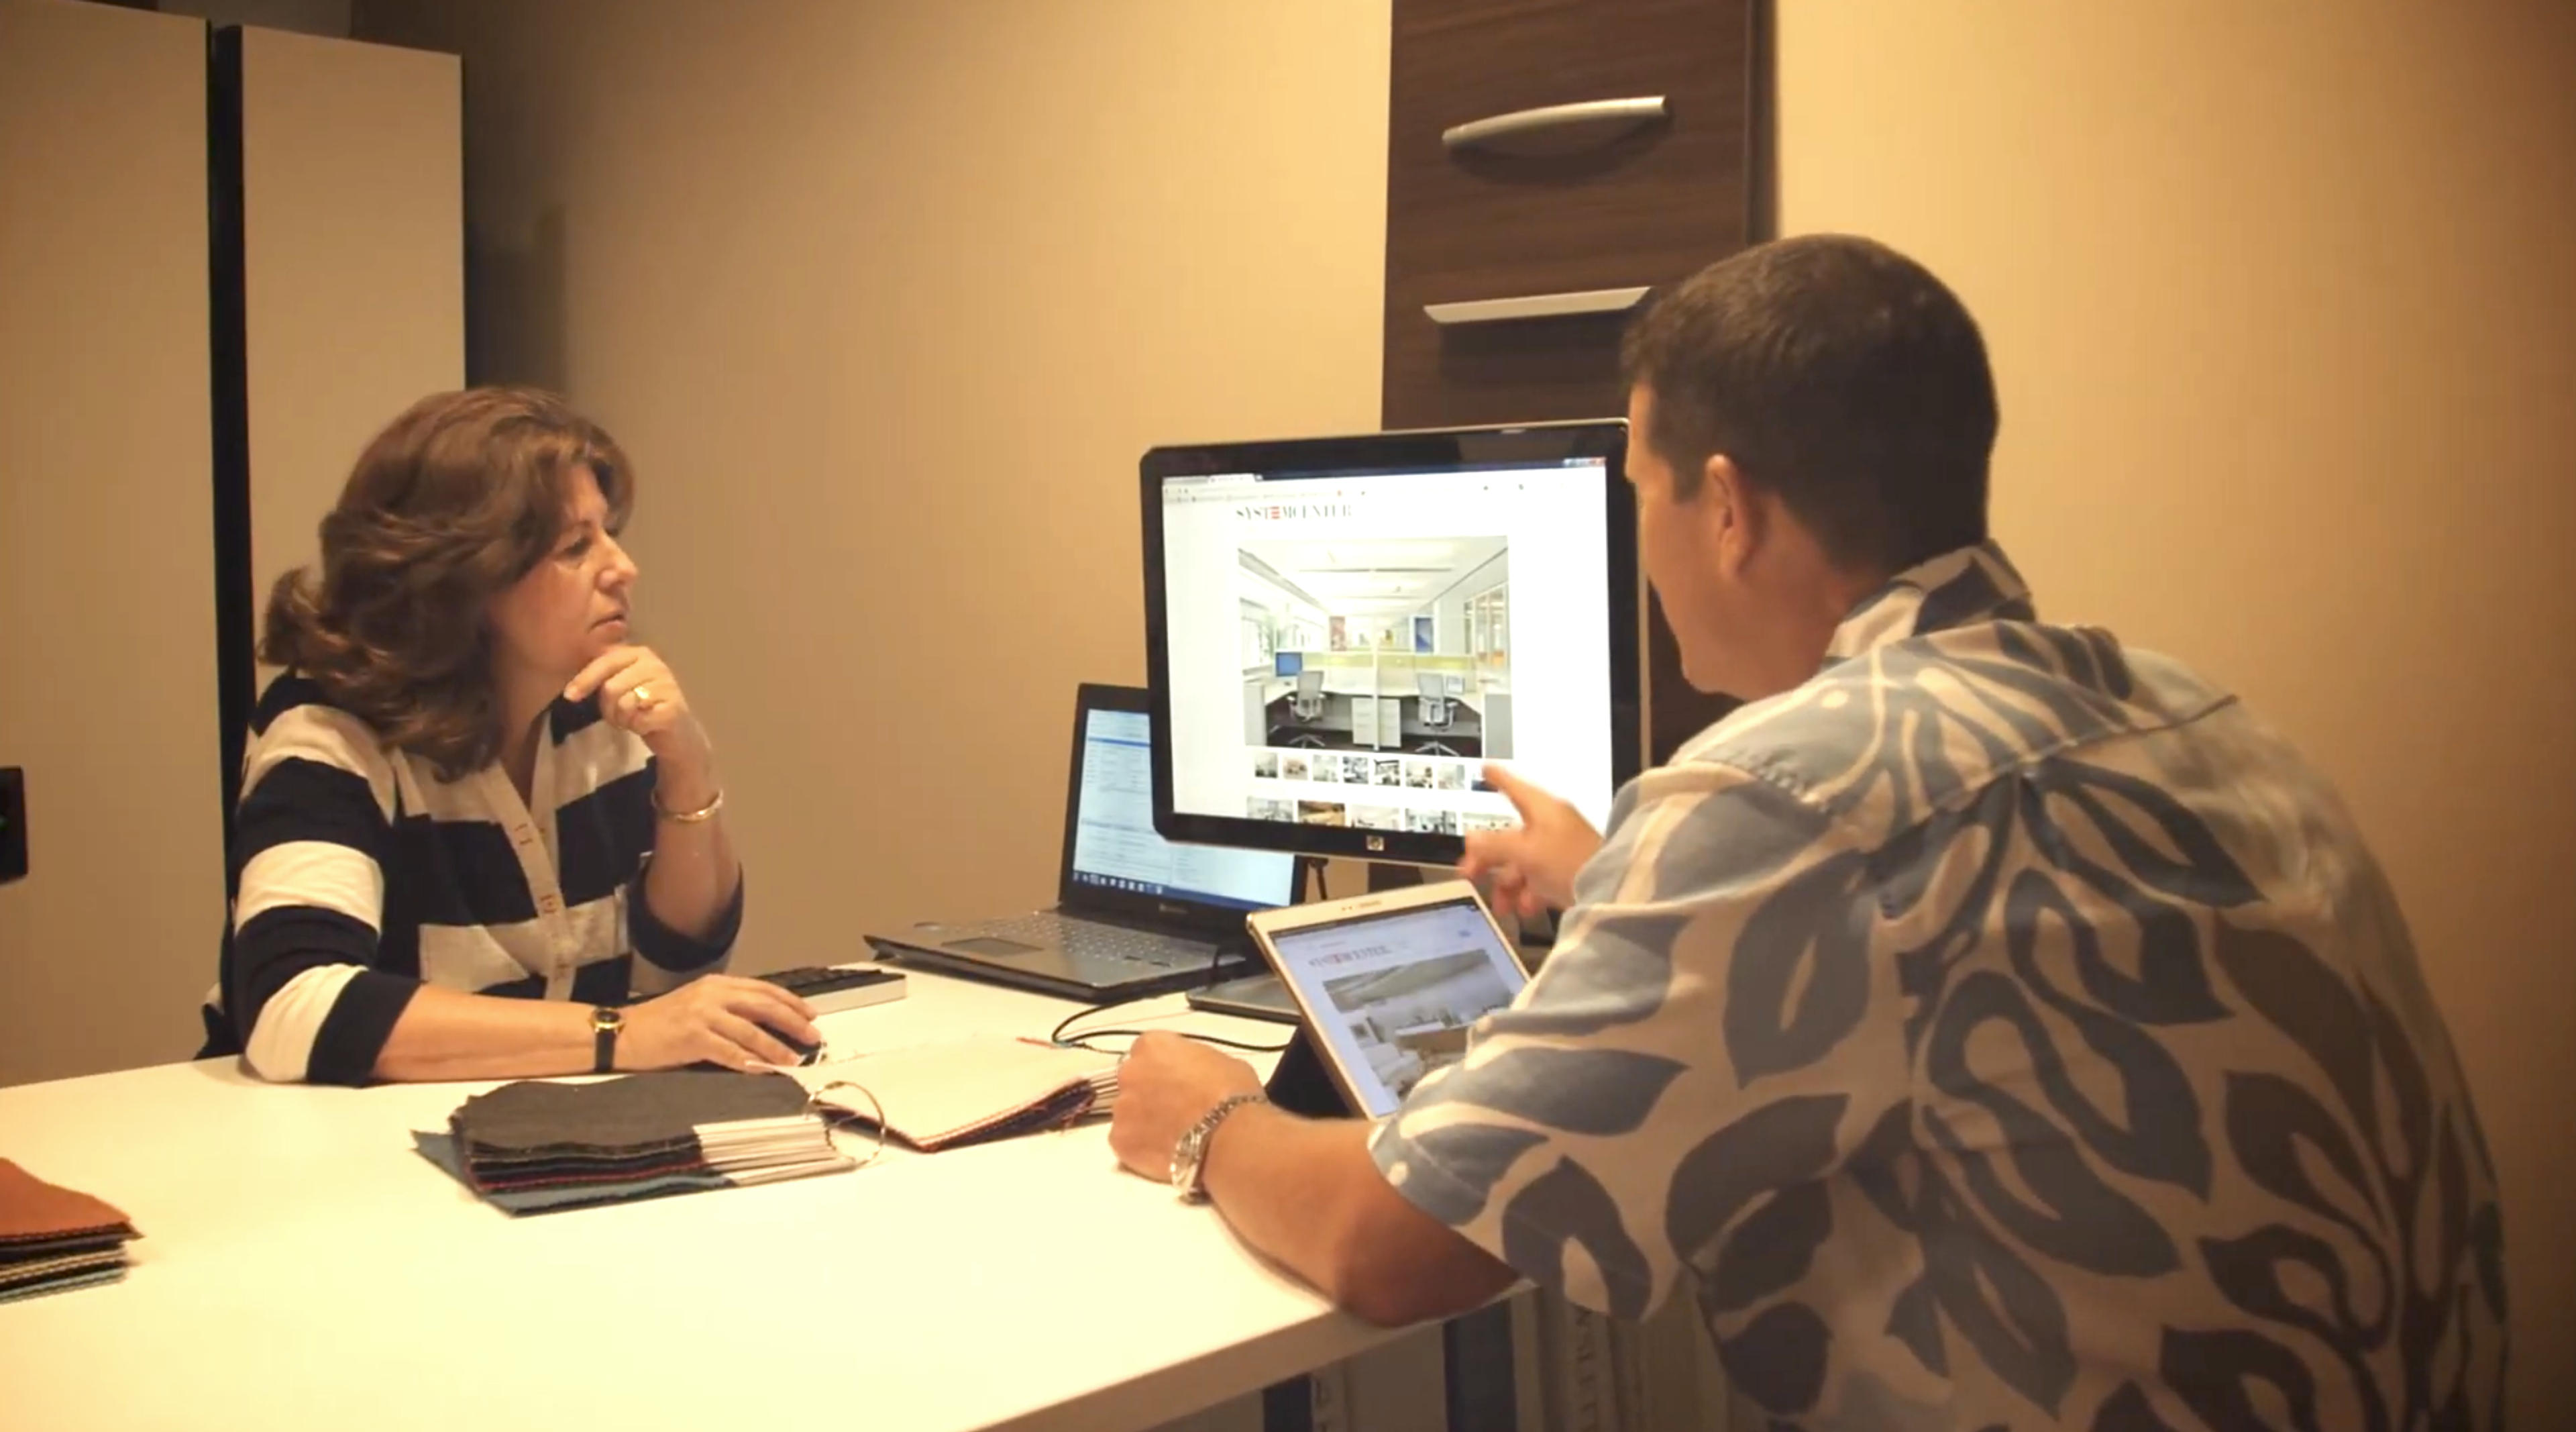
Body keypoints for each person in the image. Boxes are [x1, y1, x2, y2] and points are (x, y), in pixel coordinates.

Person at [1108, 236, 2507, 1429]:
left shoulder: (1779, 799)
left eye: (1639, 490)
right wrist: (1621, 880)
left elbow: (1398, 1245)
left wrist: (1208, 1121)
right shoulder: (2186, 710)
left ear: (1726, 508)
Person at [198, 386, 818, 1085]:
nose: (622, 567)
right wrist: (621, 1034)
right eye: (575, 546)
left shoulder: (593, 705)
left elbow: (676, 970)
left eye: (610, 531)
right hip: (323, 1156)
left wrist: (688, 767)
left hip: (539, 1135)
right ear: (464, 577)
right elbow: (293, 1008)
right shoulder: (328, 728)